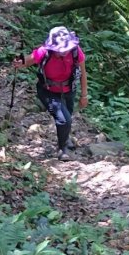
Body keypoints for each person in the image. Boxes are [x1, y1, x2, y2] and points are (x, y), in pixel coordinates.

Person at [12, 26, 88, 161]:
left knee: (67, 116)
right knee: (64, 119)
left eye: (66, 47)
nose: (64, 51)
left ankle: (65, 137)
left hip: (69, 89)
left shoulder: (76, 51)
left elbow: (83, 72)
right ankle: (62, 149)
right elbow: (29, 59)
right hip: (48, 91)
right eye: (61, 48)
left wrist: (84, 95)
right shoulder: (45, 52)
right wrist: (20, 62)